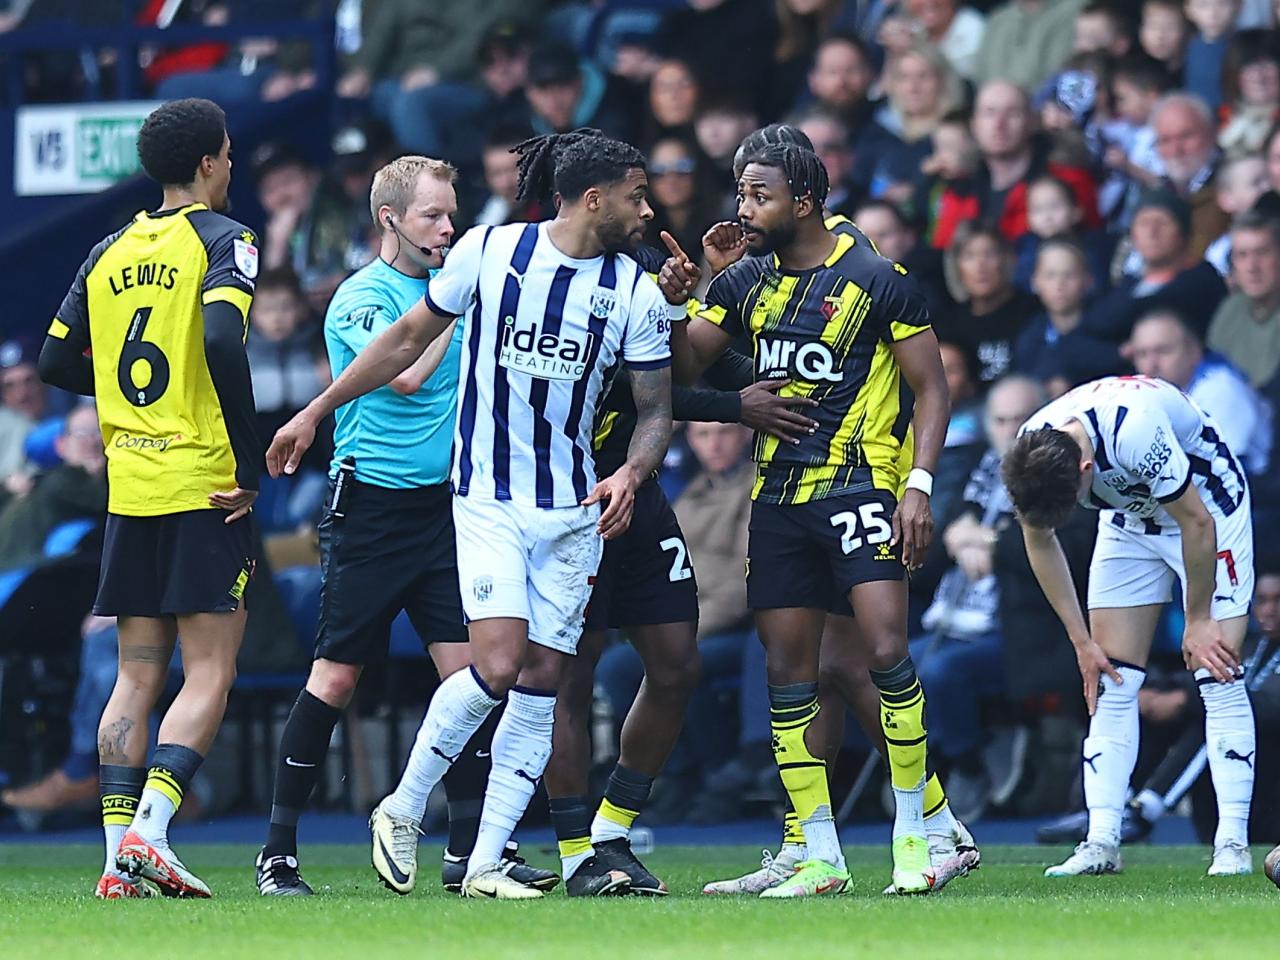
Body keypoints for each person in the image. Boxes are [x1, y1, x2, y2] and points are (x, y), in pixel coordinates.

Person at [267, 128, 674, 900]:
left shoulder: (637, 291)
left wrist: (632, 470)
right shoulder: (490, 252)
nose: (647, 210)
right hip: (484, 498)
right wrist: (317, 409)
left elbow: (655, 407)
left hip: (574, 505)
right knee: (494, 664)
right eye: (635, 196)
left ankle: (484, 857)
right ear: (594, 199)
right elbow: (408, 340)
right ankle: (403, 805)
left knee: (546, 677)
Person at [252, 155, 555, 898]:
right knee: (337, 676)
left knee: (474, 678)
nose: (448, 228)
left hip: (451, 509)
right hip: (372, 510)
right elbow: (407, 375)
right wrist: (455, 300)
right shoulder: (362, 297)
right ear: (389, 219)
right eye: (432, 216)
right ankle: (278, 854)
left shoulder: (452, 290)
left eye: (452, 216)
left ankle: (469, 852)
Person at [661, 140, 951, 897]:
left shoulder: (876, 279)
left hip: (860, 484)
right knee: (791, 676)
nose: (743, 208)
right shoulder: (749, 279)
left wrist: (916, 487)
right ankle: (818, 854)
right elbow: (685, 368)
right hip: (778, 498)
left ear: (804, 200)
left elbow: (934, 388)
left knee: (887, 653)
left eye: (757, 195)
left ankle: (916, 837)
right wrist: (685, 294)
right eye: (740, 192)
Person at [36, 98, 260, 899]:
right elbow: (225, 340)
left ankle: (112, 862)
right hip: (203, 486)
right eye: (228, 156)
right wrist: (252, 459)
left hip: (130, 488)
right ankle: (151, 836)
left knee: (136, 674)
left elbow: (54, 362)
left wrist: (124, 414)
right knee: (209, 672)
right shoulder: (225, 241)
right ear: (207, 164)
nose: (232, 168)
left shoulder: (107, 249)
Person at [1004, 375, 1256, 878]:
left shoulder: (1133, 430)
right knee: (1110, 679)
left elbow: (1197, 523)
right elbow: (1039, 540)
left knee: (1218, 674)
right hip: (1130, 520)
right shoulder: (1031, 451)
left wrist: (1198, 617)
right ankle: (1101, 841)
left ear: (1086, 468)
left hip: (1206, 509)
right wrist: (1081, 641)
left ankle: (1232, 844)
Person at [1127, 309, 1269, 473]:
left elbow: (1228, 473)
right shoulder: (1148, 397)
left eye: (1163, 351)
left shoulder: (1220, 389)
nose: (1151, 365)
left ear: (1194, 351)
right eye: (1142, 354)